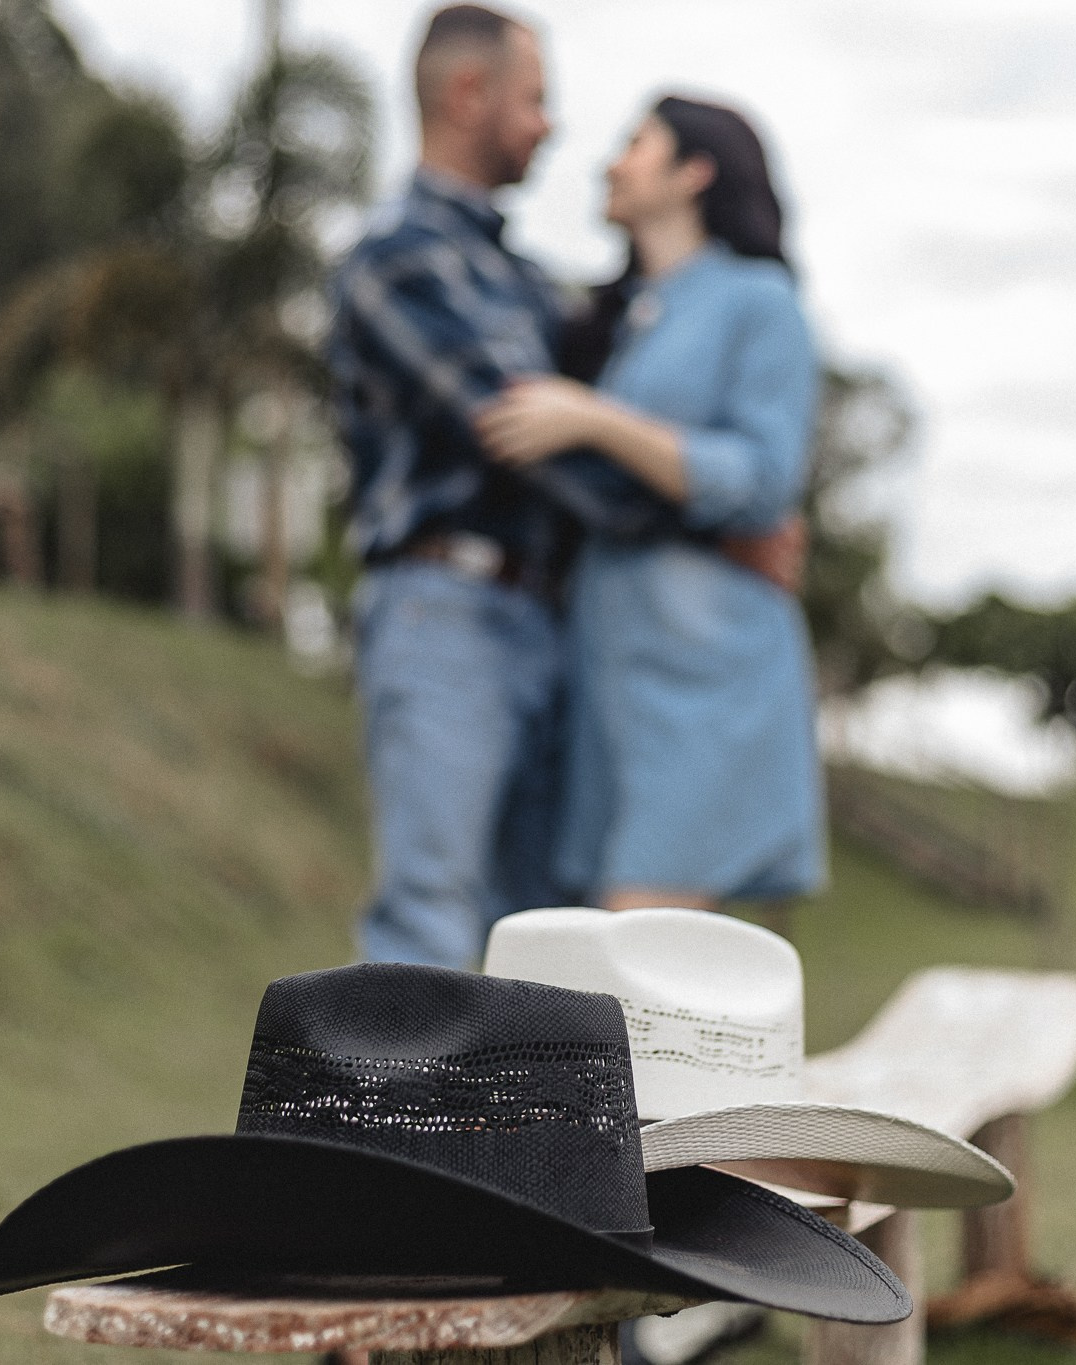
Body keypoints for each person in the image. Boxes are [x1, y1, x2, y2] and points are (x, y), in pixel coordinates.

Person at [327, 6, 660, 968]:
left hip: (551, 616)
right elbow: (529, 437)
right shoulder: (396, 260)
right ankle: (402, 1083)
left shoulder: (520, 279)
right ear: (469, 94)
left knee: (547, 933)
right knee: (430, 915)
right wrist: (693, 501)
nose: (551, 126)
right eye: (535, 100)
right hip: (446, 609)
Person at [475, 96, 825, 913]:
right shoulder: (625, 319)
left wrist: (595, 419)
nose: (612, 163)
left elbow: (763, 479)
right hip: (608, 683)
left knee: (639, 945)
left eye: (636, 144)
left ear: (693, 173)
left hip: (706, 680)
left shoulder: (760, 301)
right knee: (605, 949)